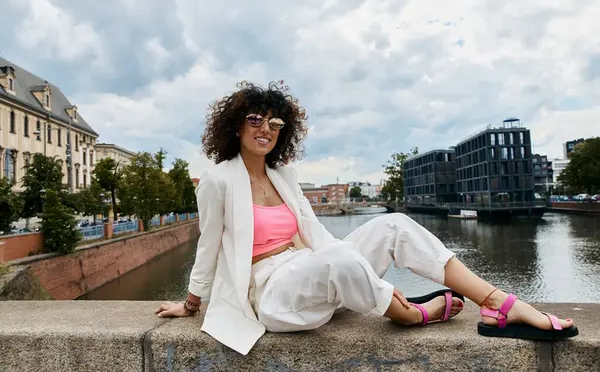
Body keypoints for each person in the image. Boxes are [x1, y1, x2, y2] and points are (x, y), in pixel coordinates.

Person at [156, 81, 578, 355]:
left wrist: (360, 261)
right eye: (254, 120)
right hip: (272, 293)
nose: (265, 129)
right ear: (235, 127)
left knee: (390, 226)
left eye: (275, 123)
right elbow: (208, 245)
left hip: (313, 269)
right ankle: (411, 314)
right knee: (339, 261)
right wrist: (191, 304)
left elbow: (318, 233)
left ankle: (499, 303)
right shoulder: (216, 181)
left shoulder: (283, 174)